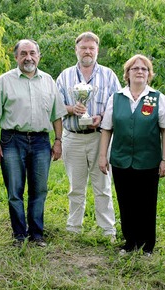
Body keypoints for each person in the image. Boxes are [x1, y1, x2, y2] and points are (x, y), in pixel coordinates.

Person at [0, 39, 67, 247]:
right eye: (23, 53)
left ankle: (37, 234)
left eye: (32, 53)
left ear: (39, 56)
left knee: (39, 190)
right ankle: (19, 235)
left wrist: (58, 141)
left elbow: (57, 115)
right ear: (16, 57)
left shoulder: (48, 81)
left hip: (40, 141)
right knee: (15, 190)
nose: (28, 57)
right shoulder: (4, 81)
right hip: (12, 140)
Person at [98, 54, 165, 255]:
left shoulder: (157, 97)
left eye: (144, 69)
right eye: (135, 68)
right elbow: (106, 128)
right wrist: (102, 156)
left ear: (149, 75)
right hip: (121, 160)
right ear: (127, 74)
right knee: (126, 202)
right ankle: (130, 242)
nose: (140, 71)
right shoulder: (117, 98)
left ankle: (147, 245)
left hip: (148, 161)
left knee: (147, 203)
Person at [56, 32, 120, 238]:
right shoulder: (64, 76)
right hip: (72, 136)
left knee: (102, 186)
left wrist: (101, 117)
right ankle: (74, 229)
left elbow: (116, 105)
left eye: (91, 48)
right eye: (83, 47)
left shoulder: (109, 75)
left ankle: (107, 231)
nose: (87, 51)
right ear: (76, 50)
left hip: (99, 138)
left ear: (97, 50)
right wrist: (70, 108)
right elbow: (54, 106)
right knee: (76, 186)